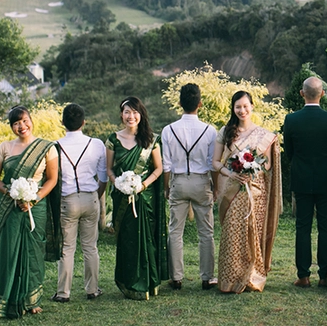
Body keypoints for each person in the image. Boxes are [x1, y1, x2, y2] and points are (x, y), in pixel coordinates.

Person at [0, 106, 60, 318]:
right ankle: (8, 299)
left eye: (25, 120)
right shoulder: (4, 147)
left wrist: (34, 199)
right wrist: (12, 192)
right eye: (16, 123)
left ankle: (32, 301)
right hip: (10, 206)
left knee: (33, 252)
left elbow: (52, 179)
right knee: (10, 251)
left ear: (31, 121)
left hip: (35, 207)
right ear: (12, 127)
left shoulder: (46, 147)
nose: (22, 126)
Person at [212, 91, 282, 293]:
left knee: (253, 232)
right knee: (232, 233)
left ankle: (252, 277)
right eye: (238, 107)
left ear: (252, 106)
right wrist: (231, 173)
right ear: (233, 109)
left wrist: (252, 169)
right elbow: (215, 162)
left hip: (256, 191)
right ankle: (230, 279)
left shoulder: (264, 135)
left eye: (245, 106)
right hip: (232, 190)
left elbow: (268, 165)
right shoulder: (225, 132)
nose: (242, 110)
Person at [106, 97, 168, 299]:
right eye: (127, 112)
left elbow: (158, 169)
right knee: (127, 240)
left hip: (146, 198)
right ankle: (129, 283)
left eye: (134, 112)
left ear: (141, 114)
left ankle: (149, 283)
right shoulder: (113, 140)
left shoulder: (151, 140)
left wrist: (142, 185)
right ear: (121, 115)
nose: (130, 116)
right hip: (122, 197)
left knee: (147, 239)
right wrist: (118, 183)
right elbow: (109, 169)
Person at [284, 76, 327, 288]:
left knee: (303, 227)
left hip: (302, 179)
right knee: (326, 228)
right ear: (322, 94)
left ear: (302, 94)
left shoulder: (291, 120)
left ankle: (303, 276)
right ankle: (325, 275)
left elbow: (289, 151)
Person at [161, 83, 218, 290]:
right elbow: (212, 164)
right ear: (200, 104)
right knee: (206, 232)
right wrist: (216, 187)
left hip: (178, 180)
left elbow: (166, 164)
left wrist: (166, 187)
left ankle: (176, 277)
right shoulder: (210, 131)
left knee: (175, 231)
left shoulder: (168, 130)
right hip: (201, 181)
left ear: (179, 103)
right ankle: (207, 277)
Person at [52, 103, 107, 303]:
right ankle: (92, 289)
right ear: (84, 122)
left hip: (67, 200)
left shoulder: (55, 146)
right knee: (90, 247)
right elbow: (103, 177)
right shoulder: (96, 144)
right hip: (90, 197)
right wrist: (96, 195)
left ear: (62, 122)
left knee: (67, 248)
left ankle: (63, 293)